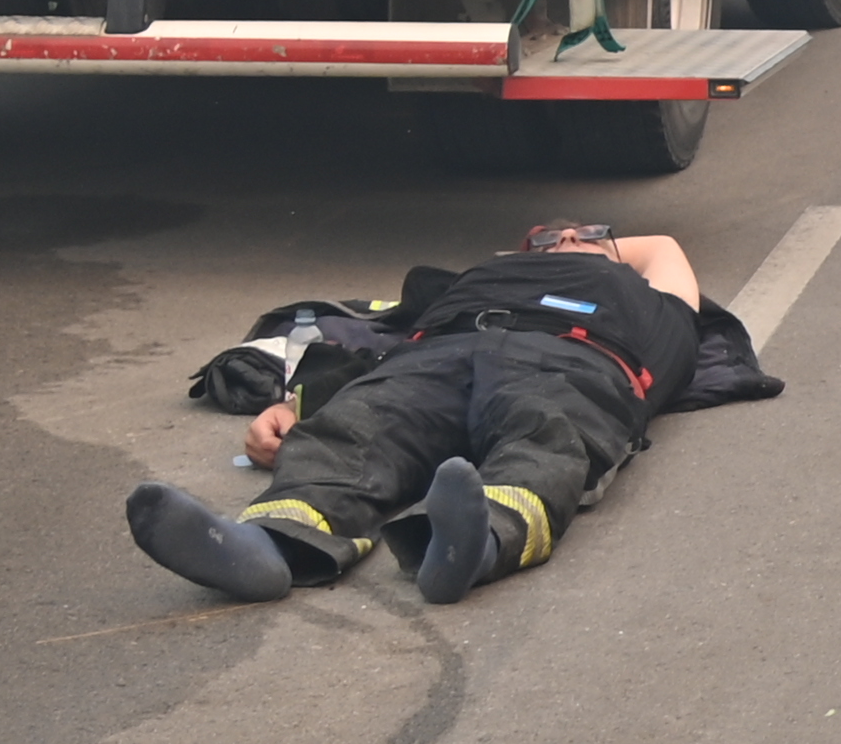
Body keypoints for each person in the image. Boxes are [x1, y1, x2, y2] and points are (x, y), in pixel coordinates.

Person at [123, 217, 772, 607]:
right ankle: (266, 547)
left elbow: (662, 244)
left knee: (545, 438)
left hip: (572, 362)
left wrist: (590, 248)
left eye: (592, 233)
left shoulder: (646, 290)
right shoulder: (478, 280)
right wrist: (295, 409)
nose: (569, 237)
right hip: (432, 358)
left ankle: (473, 542)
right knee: (355, 431)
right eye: (549, 234)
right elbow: (369, 346)